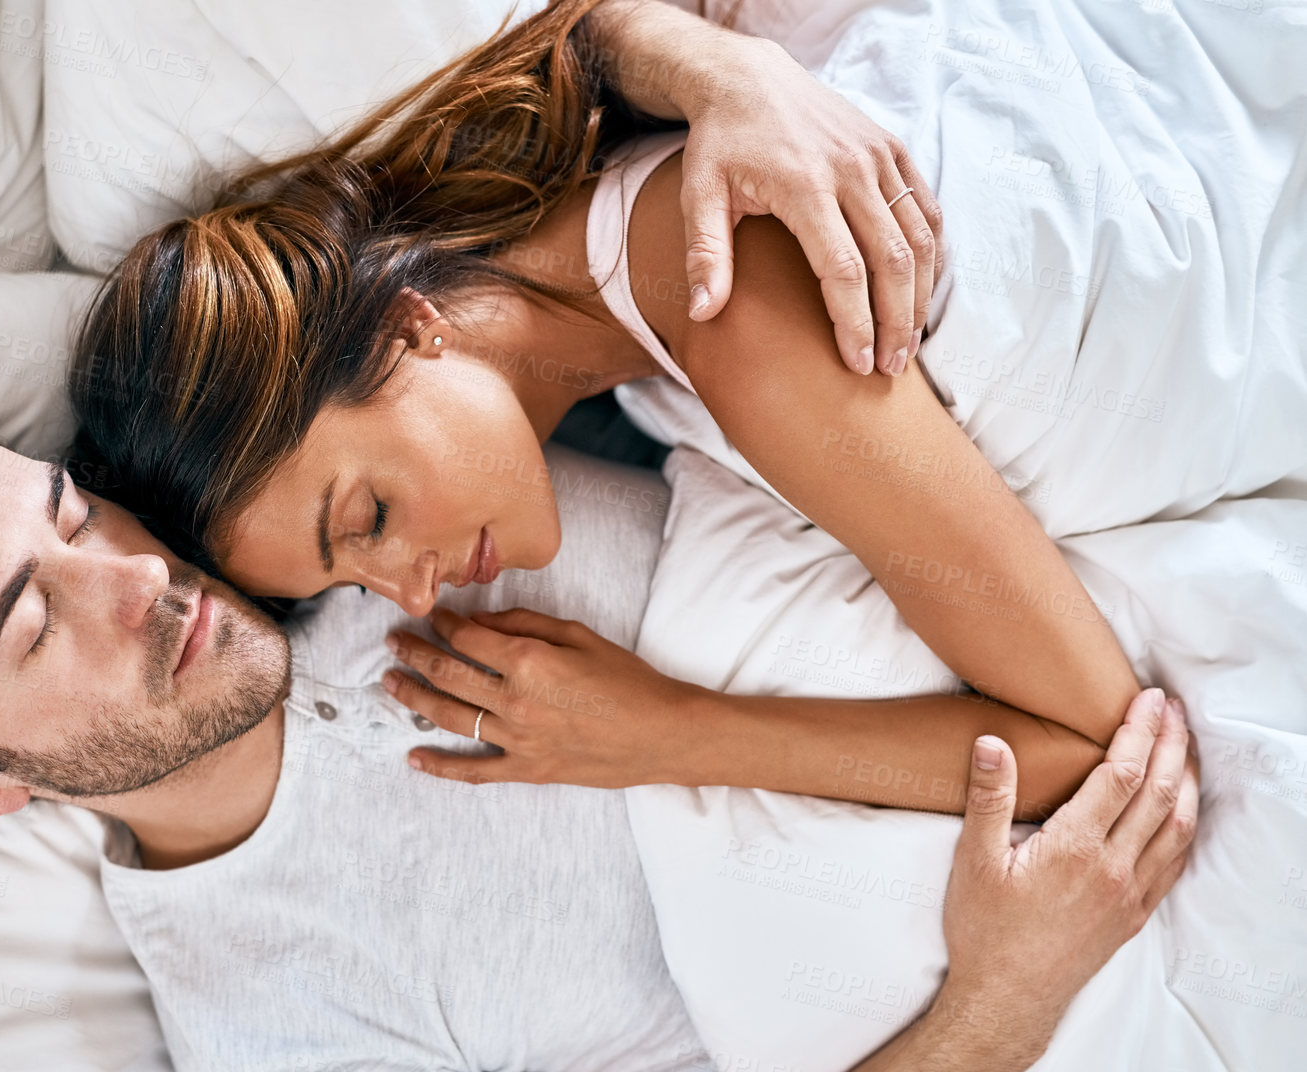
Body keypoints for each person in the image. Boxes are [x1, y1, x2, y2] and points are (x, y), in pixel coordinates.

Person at [0, 373, 1198, 1072]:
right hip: (1096, 960)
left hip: (1101, 589)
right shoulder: (279, 1050)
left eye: (64, 513)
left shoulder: (296, 484)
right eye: (26, 620)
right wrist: (1008, 994)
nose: (136, 579)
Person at [68, 0, 1142, 811]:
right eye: (355, 584)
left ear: (405, 332)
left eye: (368, 521)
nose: (410, 591)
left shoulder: (722, 301)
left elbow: (1088, 746)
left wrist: (670, 737)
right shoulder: (640, 344)